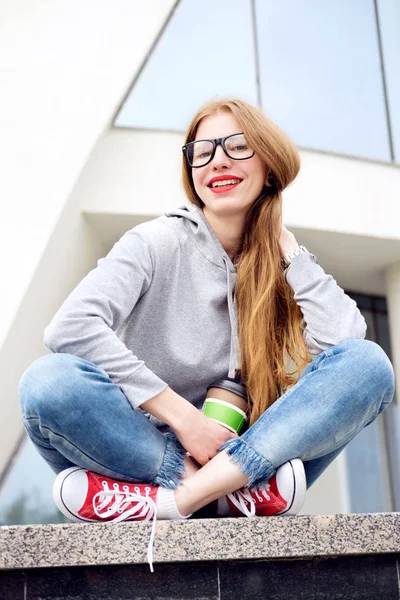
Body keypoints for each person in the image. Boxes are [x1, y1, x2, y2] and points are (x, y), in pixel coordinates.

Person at [19, 98, 394, 569]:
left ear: (270, 166)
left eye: (237, 147)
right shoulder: (156, 242)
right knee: (47, 382)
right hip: (146, 452)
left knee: (370, 366)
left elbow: (348, 347)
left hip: (233, 464)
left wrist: (290, 251)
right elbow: (70, 326)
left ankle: (183, 497)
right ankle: (225, 495)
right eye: (202, 151)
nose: (217, 160)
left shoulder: (282, 266)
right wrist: (185, 422)